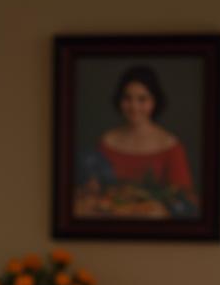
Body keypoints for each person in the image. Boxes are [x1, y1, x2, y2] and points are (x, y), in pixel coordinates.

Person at [76, 65, 196, 219]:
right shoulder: (106, 142)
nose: (134, 106)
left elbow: (185, 199)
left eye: (142, 99)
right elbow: (95, 191)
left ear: (154, 101)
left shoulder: (171, 146)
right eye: (128, 98)